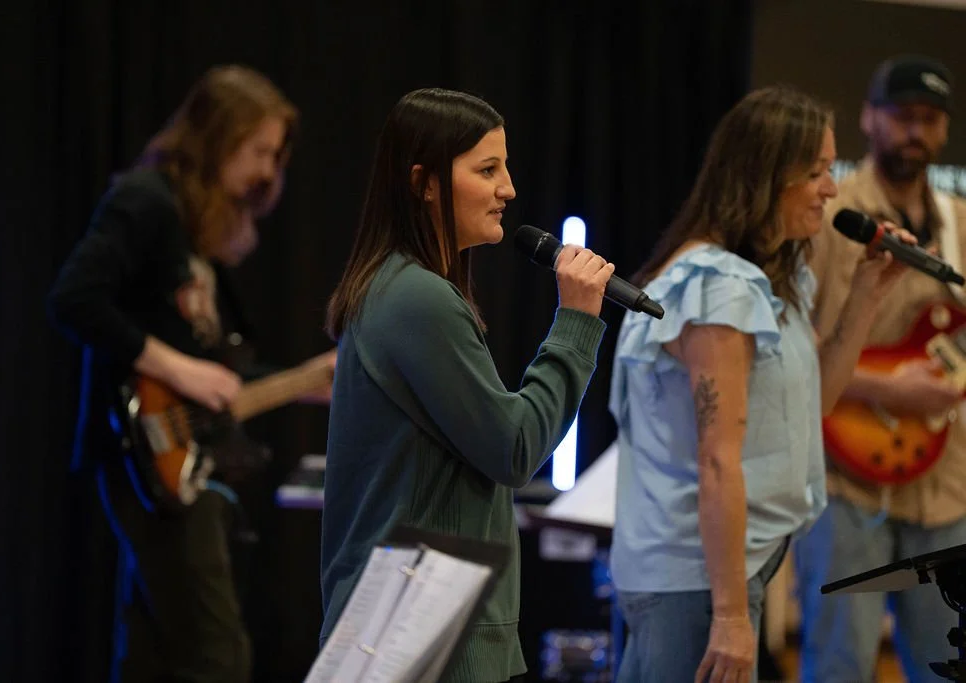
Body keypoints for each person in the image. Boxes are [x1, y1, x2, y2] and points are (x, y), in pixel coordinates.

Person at [607, 85, 913, 683]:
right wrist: (728, 617)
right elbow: (718, 459)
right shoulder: (717, 287)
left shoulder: (765, 276)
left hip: (728, 570)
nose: (831, 188)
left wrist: (867, 294)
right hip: (695, 580)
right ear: (764, 176)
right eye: (816, 171)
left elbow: (814, 405)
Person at [318, 87, 614, 683]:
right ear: (425, 183)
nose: (509, 189)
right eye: (487, 170)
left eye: (505, 168)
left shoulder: (402, 288)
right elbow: (514, 448)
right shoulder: (416, 297)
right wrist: (576, 323)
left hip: (417, 619)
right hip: (419, 625)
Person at [48, 65, 332, 683]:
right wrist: (177, 367)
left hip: (180, 459)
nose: (267, 171)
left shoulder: (194, 226)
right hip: (142, 456)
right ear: (217, 136)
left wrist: (309, 381)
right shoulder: (146, 201)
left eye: (275, 155)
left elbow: (218, 375)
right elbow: (74, 298)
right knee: (217, 657)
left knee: (151, 655)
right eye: (259, 151)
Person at [794, 55, 966, 682]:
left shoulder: (960, 219)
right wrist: (889, 387)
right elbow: (790, 341)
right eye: (902, 116)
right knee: (839, 664)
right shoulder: (829, 212)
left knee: (947, 663)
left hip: (947, 483)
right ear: (870, 118)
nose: (915, 131)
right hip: (844, 476)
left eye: (929, 119)